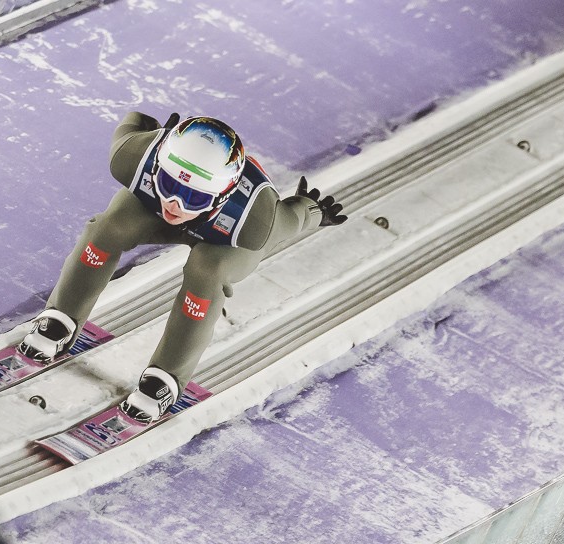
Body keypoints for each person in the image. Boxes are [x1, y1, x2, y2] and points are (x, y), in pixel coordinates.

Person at [18, 112, 348, 423]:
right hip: (161, 212)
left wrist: (313, 209)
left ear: (223, 196)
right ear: (158, 164)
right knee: (108, 229)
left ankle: (166, 376)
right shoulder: (134, 155)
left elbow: (292, 218)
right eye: (170, 184)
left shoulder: (256, 219)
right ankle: (62, 317)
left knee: (207, 270)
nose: (175, 205)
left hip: (225, 241)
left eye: (194, 197)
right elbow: (134, 124)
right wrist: (150, 130)